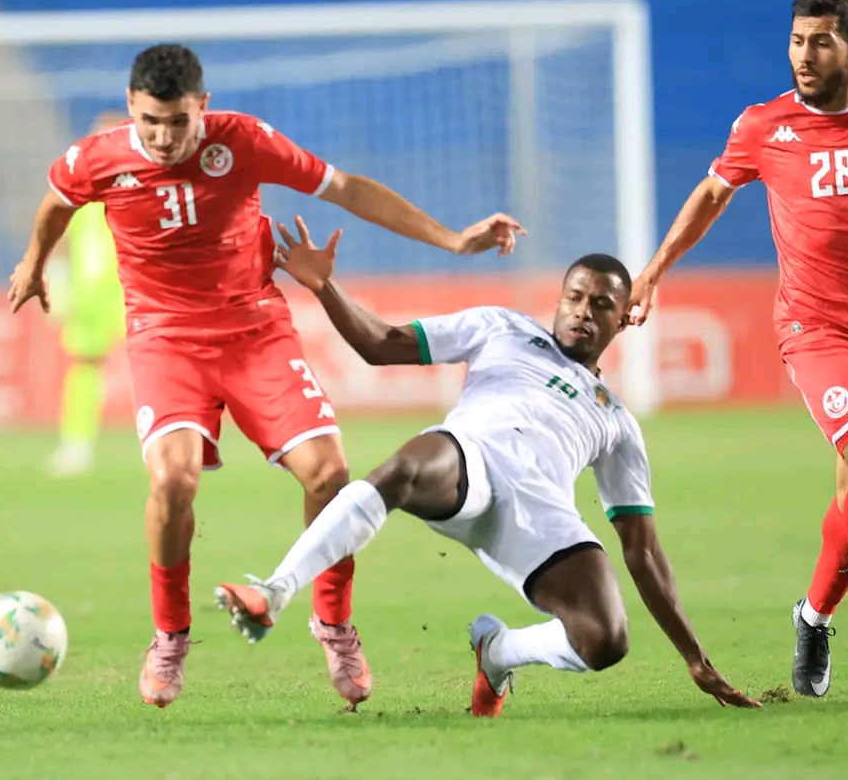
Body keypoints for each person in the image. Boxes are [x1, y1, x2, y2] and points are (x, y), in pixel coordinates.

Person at [7, 44, 523, 709]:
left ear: (204, 107)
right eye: (149, 123)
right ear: (132, 109)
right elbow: (57, 201)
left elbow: (348, 188)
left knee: (330, 475)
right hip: (165, 337)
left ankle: (333, 625)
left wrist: (452, 239)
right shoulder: (97, 157)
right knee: (171, 477)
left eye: (178, 123)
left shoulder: (243, 141)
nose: (163, 139)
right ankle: (169, 636)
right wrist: (33, 262)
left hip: (254, 328)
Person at [215, 217, 760, 716]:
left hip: (539, 517)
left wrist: (694, 655)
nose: (583, 312)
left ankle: (498, 651)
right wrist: (323, 286)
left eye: (600, 305)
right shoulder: (503, 328)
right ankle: (275, 590)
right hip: (466, 463)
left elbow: (641, 550)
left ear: (625, 317)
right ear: (560, 299)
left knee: (605, 640)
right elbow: (381, 345)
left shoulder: (617, 421)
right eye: (575, 297)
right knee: (403, 467)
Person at [626, 0, 848, 701]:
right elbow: (710, 196)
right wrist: (653, 269)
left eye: (819, 42)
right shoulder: (762, 124)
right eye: (796, 41)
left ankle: (811, 617)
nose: (803, 56)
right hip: (812, 327)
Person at [44, 110, 129, 477]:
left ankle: (170, 443)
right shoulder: (77, 187)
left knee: (162, 363)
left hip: (137, 290)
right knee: (84, 367)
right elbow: (59, 237)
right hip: (91, 296)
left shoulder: (144, 185)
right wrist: (58, 282)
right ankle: (76, 446)